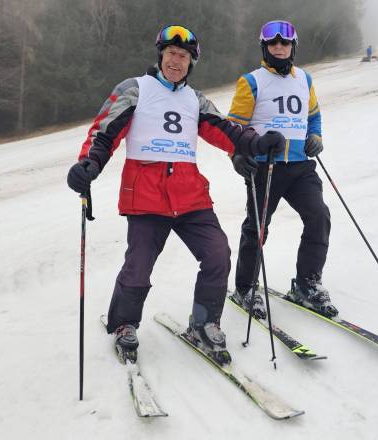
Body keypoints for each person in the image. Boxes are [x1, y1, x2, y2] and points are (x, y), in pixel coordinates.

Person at [66, 24, 285, 365]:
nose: (176, 61)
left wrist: (257, 142)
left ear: (190, 62)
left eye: (183, 57)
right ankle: (124, 323)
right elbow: (105, 132)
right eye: (171, 54)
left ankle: (204, 323)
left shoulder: (194, 100)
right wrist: (89, 164)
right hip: (146, 195)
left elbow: (227, 131)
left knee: (217, 255)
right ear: (161, 56)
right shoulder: (135, 89)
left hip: (189, 194)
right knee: (138, 266)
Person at [227, 20, 338, 320]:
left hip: (301, 166)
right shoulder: (251, 81)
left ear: (292, 46)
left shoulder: (305, 79)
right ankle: (246, 288)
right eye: (273, 43)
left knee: (319, 216)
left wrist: (315, 137)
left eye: (284, 43)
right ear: (265, 47)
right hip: (266, 168)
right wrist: (237, 156)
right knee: (257, 227)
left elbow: (313, 117)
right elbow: (234, 127)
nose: (279, 47)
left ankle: (307, 284)